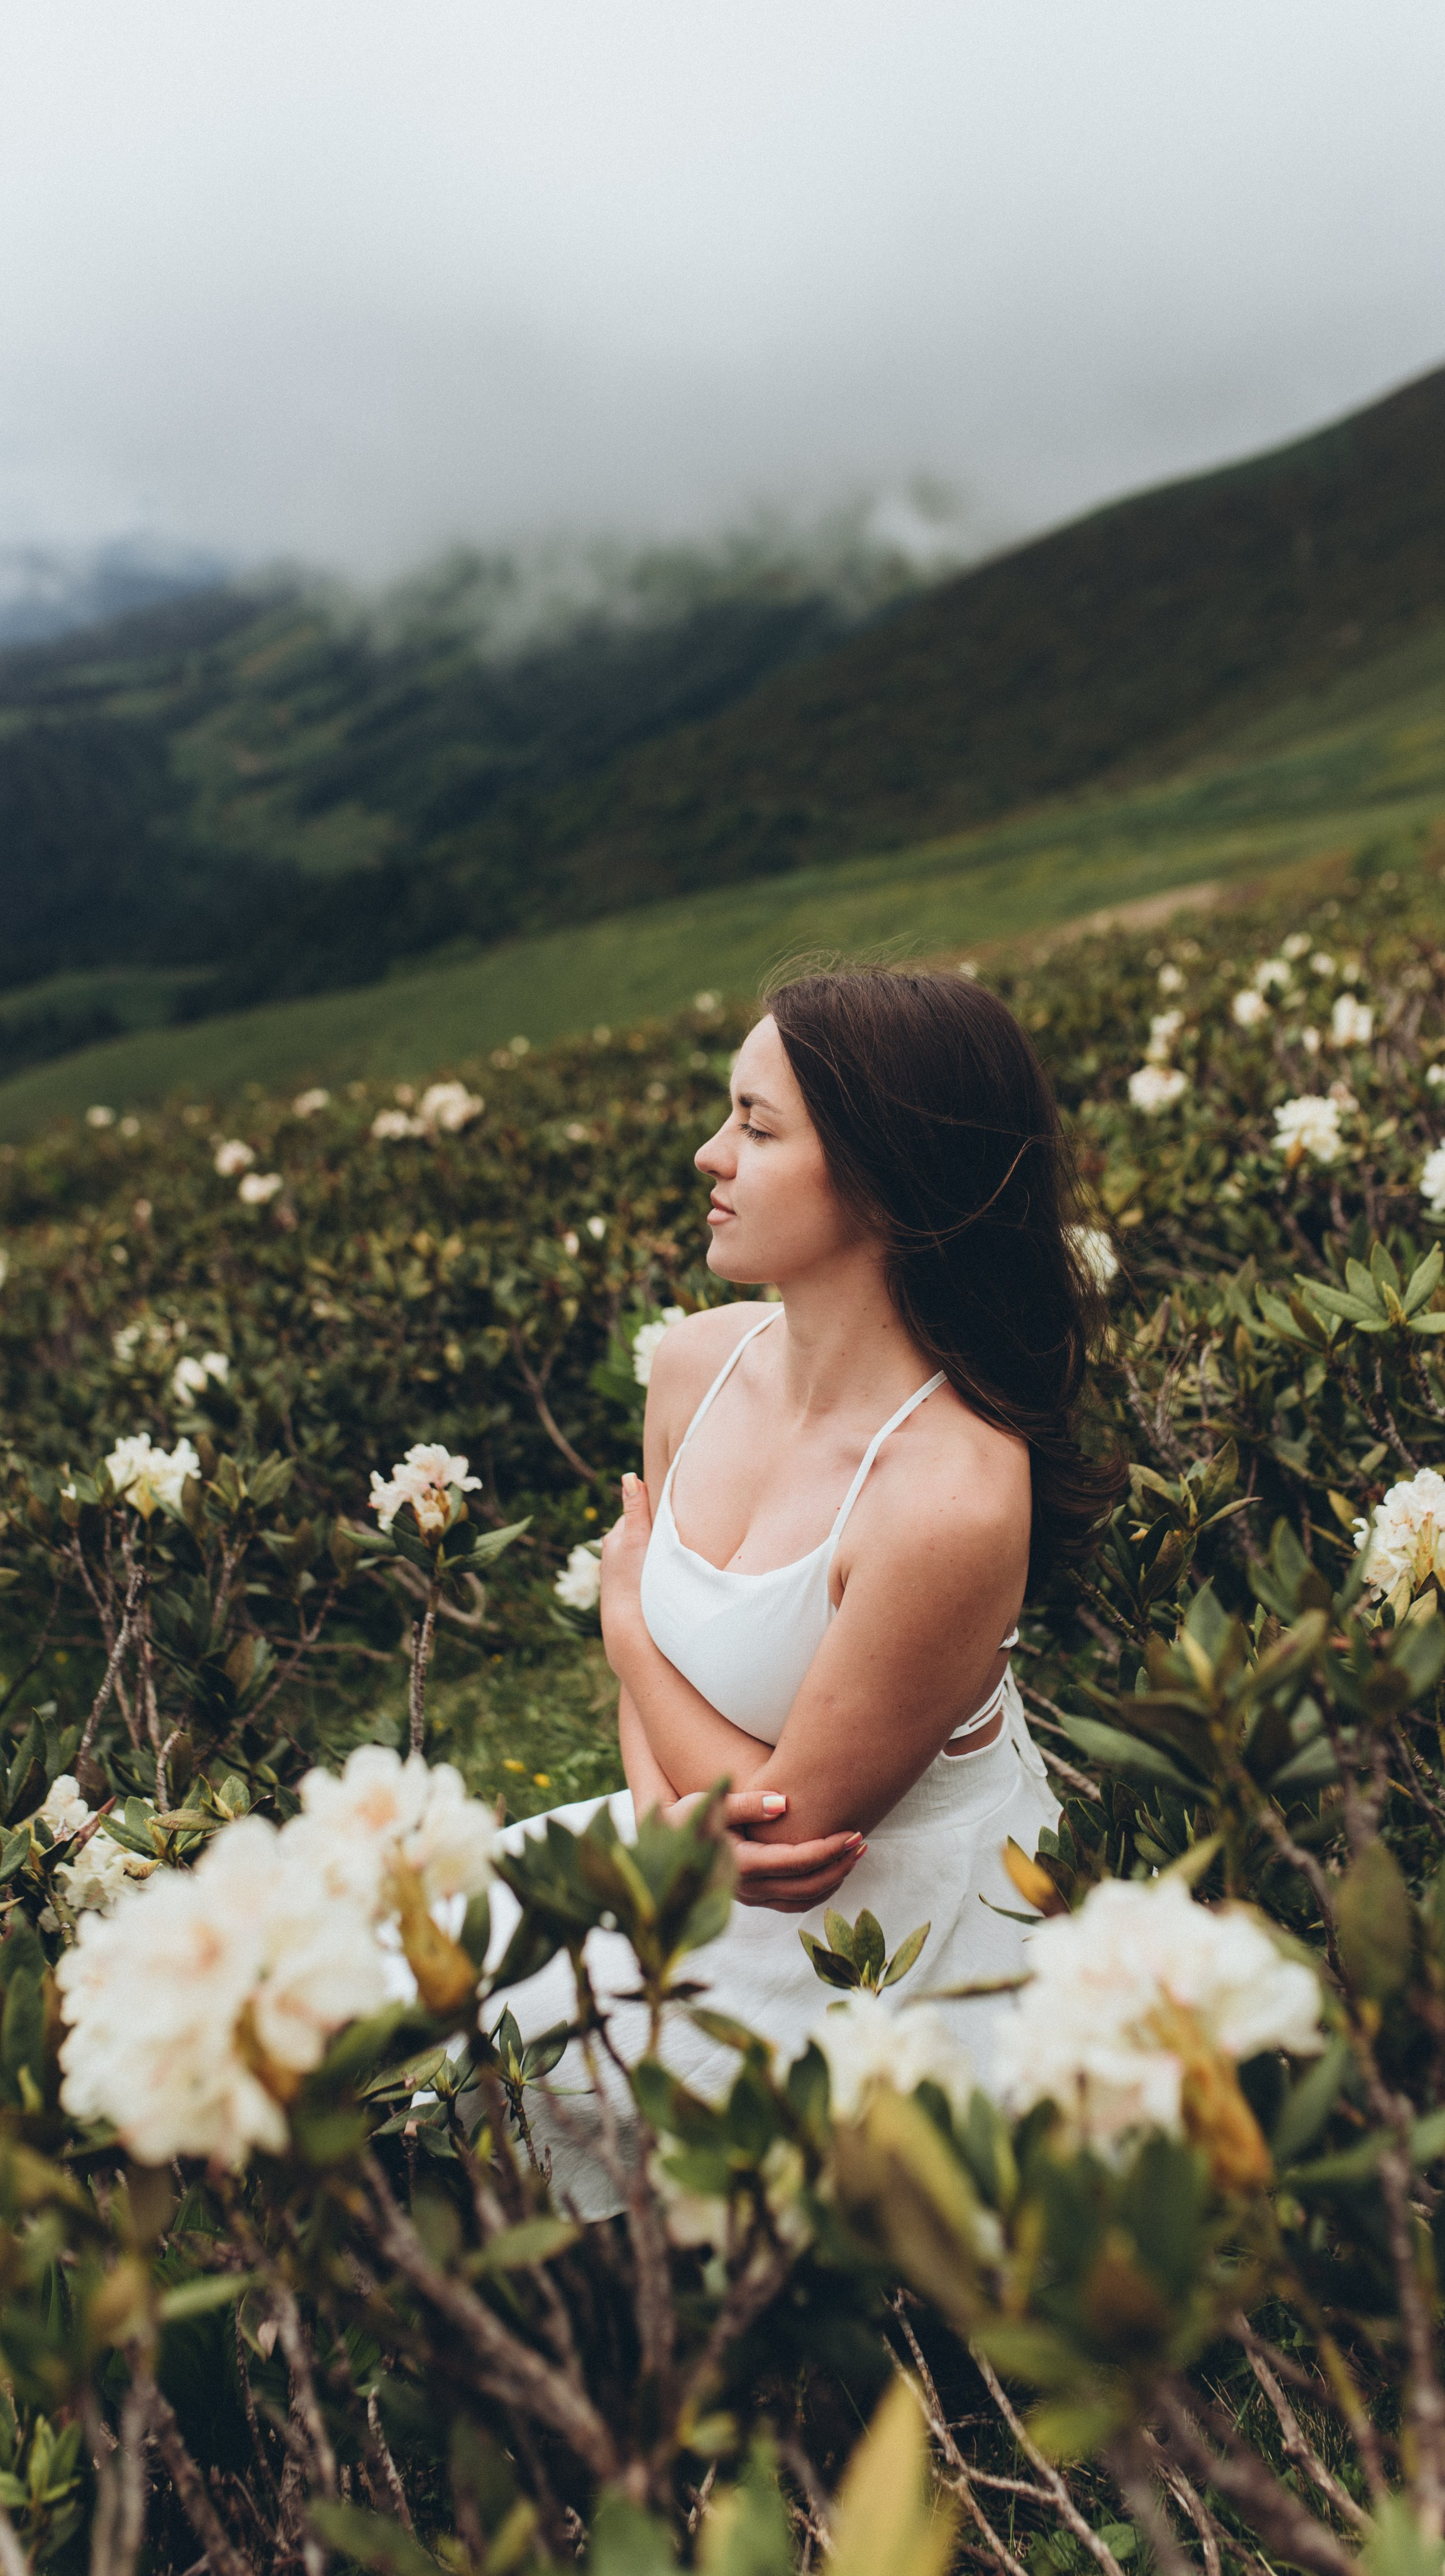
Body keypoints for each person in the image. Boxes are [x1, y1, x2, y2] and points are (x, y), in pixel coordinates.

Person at [487, 967, 1120, 2212]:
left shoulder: (953, 1492)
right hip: (686, 1850)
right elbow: (718, 1804)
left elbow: (791, 1838)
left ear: (886, 1178)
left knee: (532, 2058)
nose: (708, 1154)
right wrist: (671, 1828)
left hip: (887, 1941)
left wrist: (625, 1631)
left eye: (758, 1126)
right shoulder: (690, 1362)